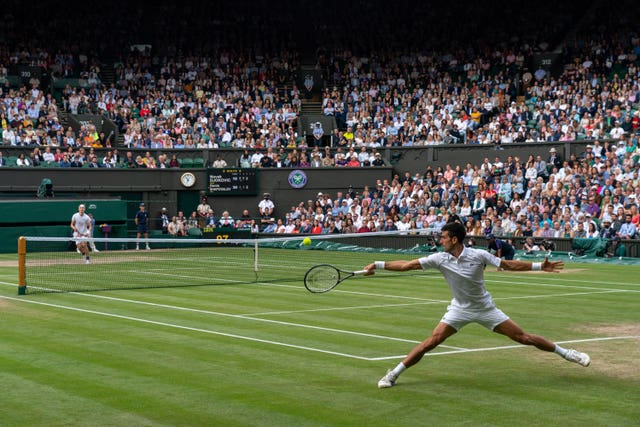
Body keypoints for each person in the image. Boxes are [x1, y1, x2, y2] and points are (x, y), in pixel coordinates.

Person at [365, 221, 590, 389]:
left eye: (443, 237)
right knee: (431, 342)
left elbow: (508, 265)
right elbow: (406, 265)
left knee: (524, 338)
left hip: (485, 309)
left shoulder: (479, 255)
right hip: (459, 309)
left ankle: (568, 354)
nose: (439, 240)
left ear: (454, 239)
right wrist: (377, 263)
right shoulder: (438, 259)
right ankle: (393, 374)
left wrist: (540, 266)